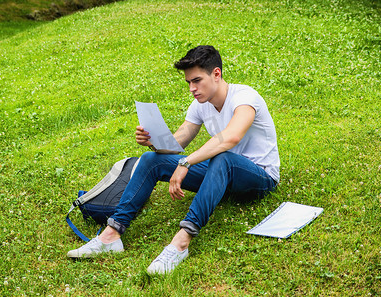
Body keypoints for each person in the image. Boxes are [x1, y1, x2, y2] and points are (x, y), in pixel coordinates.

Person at [67, 45, 280, 274]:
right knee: (151, 160)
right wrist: (152, 142)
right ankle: (112, 235)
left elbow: (231, 137)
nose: (192, 88)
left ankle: (180, 243)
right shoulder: (201, 105)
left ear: (216, 74)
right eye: (189, 82)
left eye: (197, 80)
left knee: (223, 158)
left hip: (259, 177)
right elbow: (179, 141)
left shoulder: (245, 97)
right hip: (220, 176)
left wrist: (186, 162)